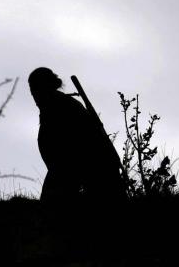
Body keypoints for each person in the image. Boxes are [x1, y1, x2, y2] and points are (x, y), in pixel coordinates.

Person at [28, 67, 124, 203]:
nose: (34, 96)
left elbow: (73, 152)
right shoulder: (54, 107)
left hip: (92, 165)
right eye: (32, 91)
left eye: (35, 90)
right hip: (78, 166)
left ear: (45, 87)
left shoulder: (61, 107)